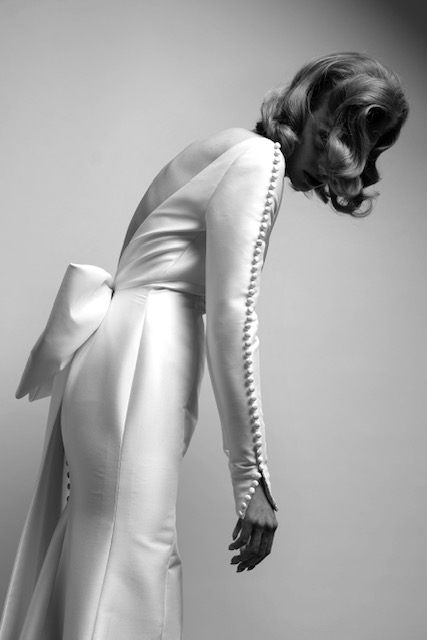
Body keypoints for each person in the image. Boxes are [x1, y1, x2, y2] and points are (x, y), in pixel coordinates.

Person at [0, 52, 408, 639]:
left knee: (111, 556)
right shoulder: (260, 161)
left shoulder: (228, 147)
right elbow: (233, 317)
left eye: (351, 153)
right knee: (129, 563)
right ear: (311, 105)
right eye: (329, 139)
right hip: (141, 360)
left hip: (119, 352)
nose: (327, 169)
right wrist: (252, 478)